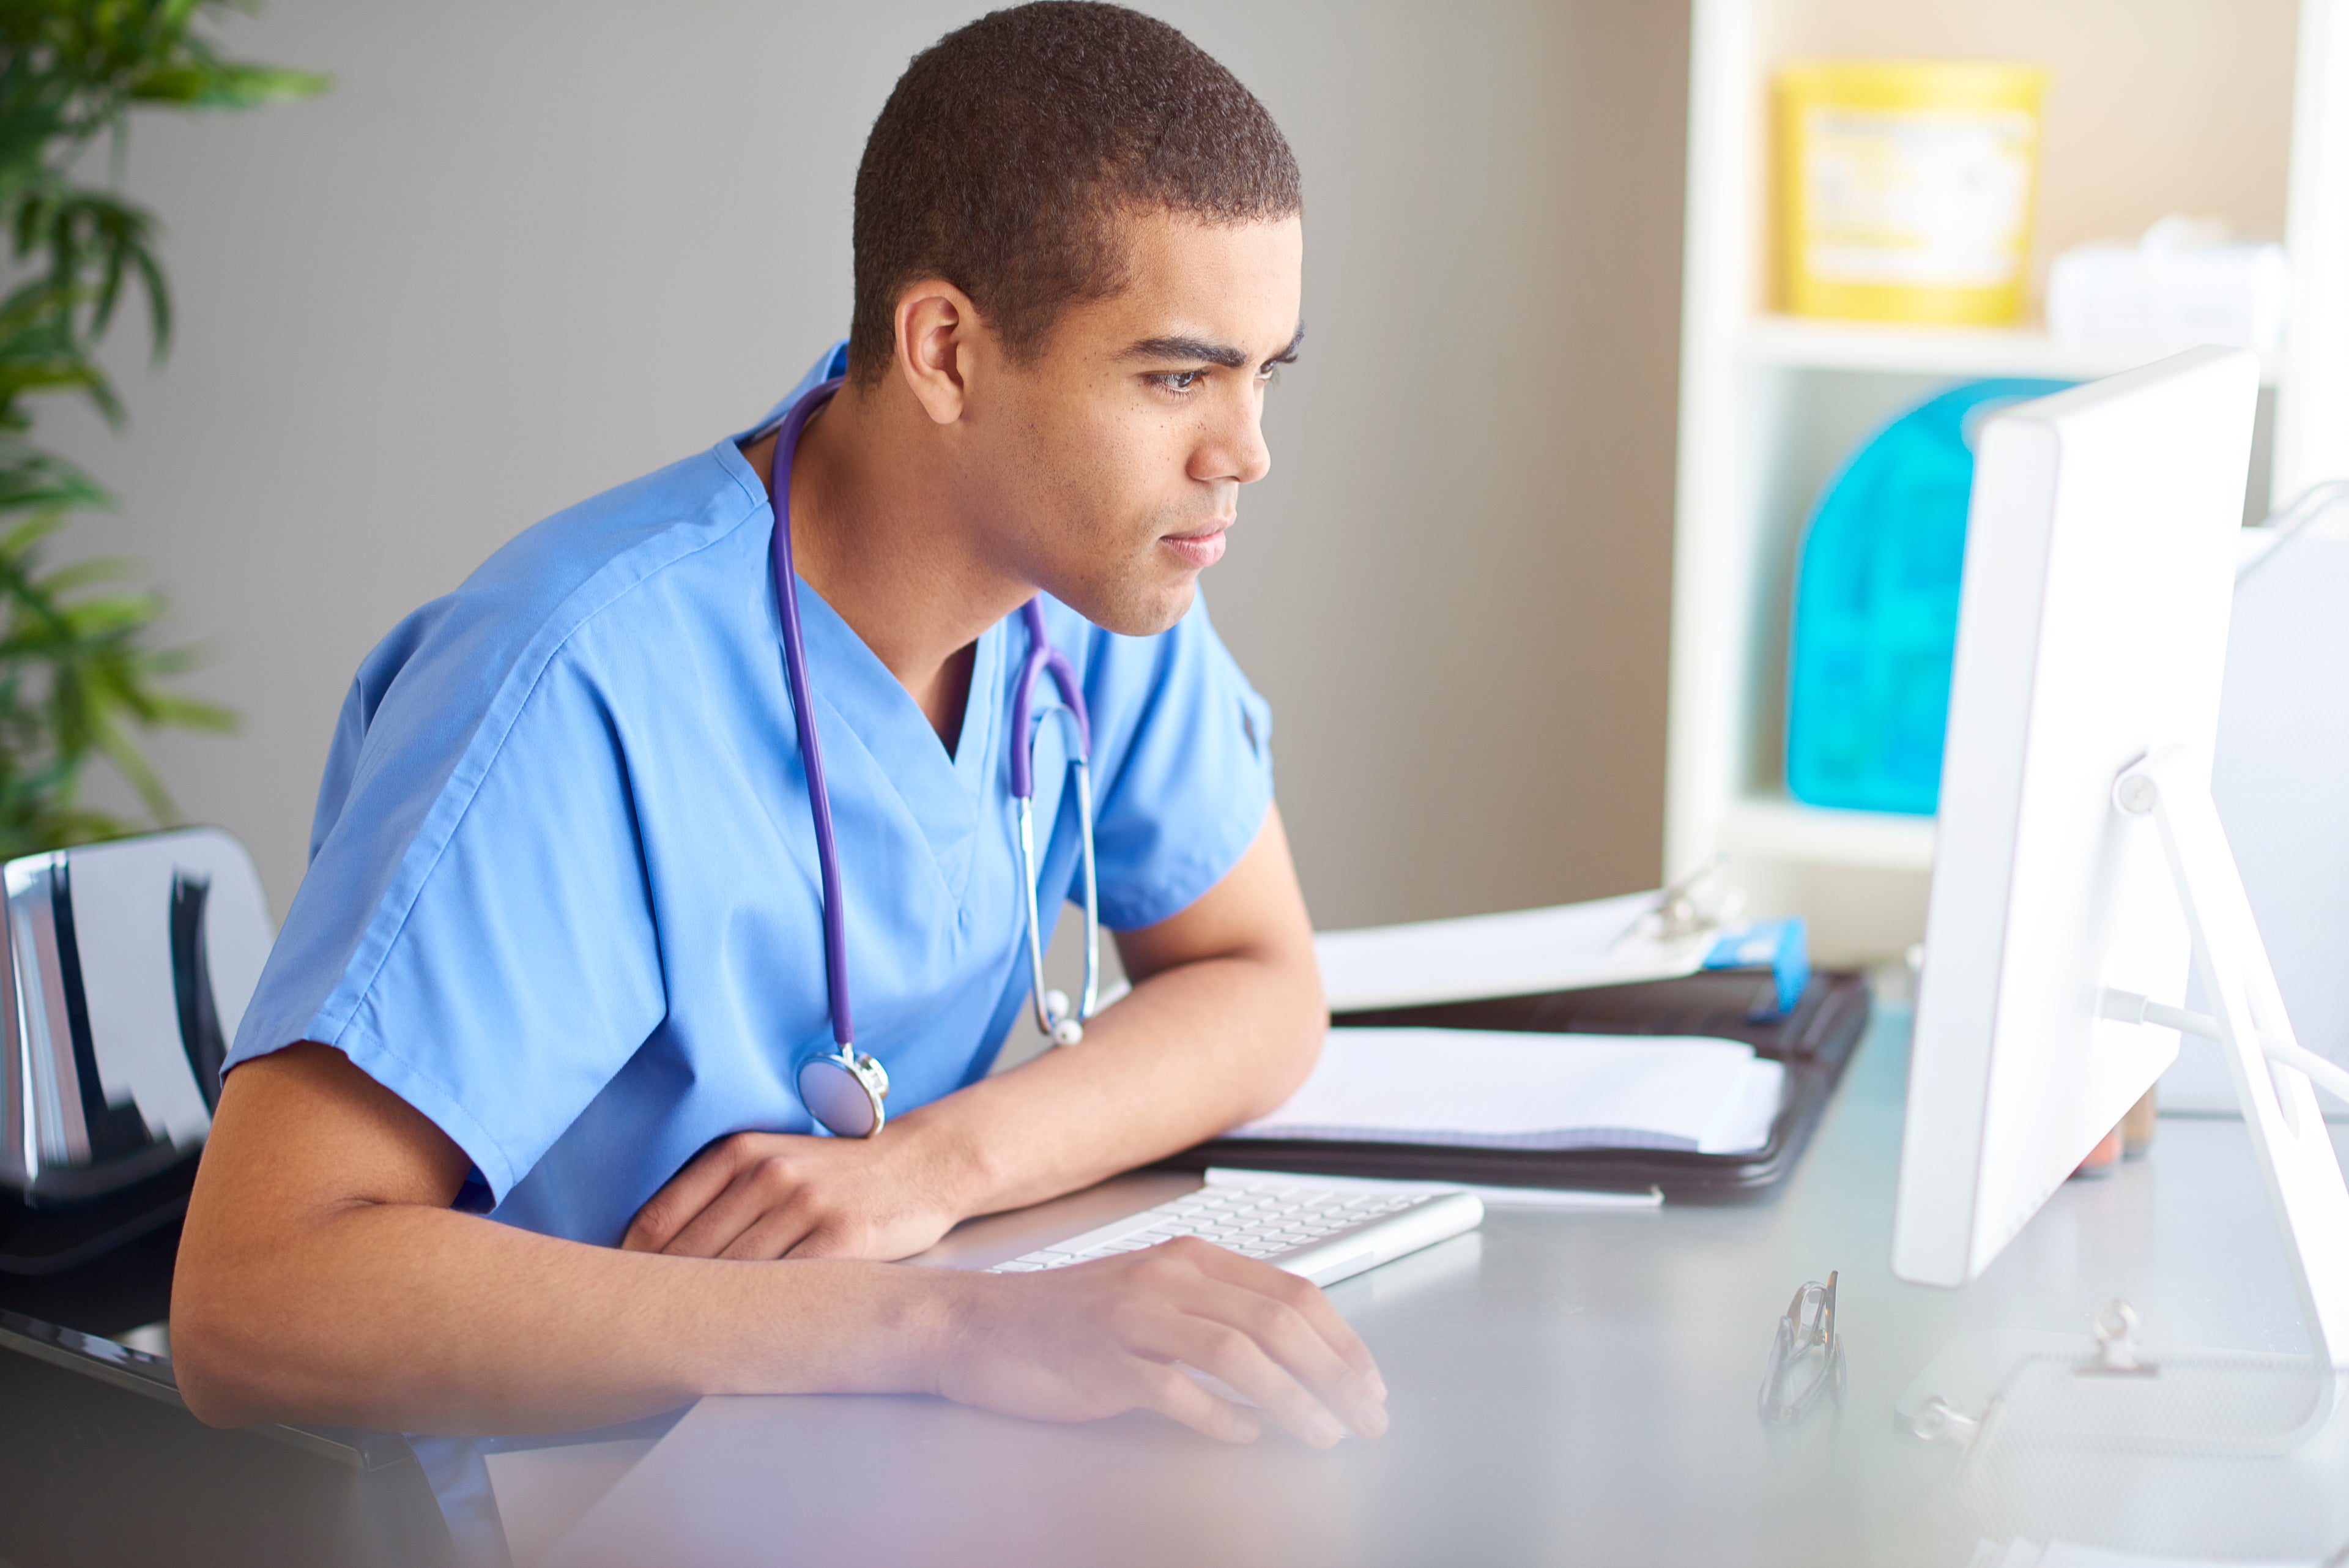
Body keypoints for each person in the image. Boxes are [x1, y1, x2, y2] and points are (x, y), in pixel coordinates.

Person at [171, 2, 1388, 1454]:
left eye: (1266, 373)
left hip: (861, 1459)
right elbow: (251, 1299)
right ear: (944, 351)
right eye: (1178, 376)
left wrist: (931, 1168)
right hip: (568, 1500)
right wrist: (943, 1326)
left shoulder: (1090, 581)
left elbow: (1259, 979)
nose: (1245, 453)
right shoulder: (580, 681)